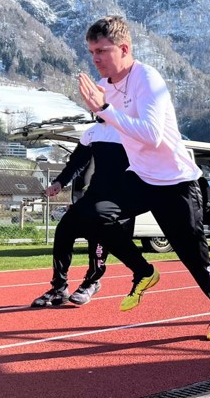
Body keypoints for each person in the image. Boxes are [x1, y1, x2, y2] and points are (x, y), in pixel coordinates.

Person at [77, 15, 210, 341]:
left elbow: (151, 135)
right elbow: (112, 129)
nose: (95, 59)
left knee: (194, 257)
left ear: (123, 49)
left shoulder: (148, 79)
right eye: (91, 51)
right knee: (91, 216)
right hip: (140, 178)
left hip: (176, 182)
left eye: (102, 51)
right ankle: (144, 271)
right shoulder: (105, 87)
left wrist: (105, 109)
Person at [31, 121, 133, 308]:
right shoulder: (92, 133)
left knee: (100, 231)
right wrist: (60, 182)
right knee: (64, 229)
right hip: (94, 194)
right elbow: (77, 162)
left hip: (119, 198)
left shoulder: (130, 128)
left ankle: (92, 281)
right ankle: (59, 288)